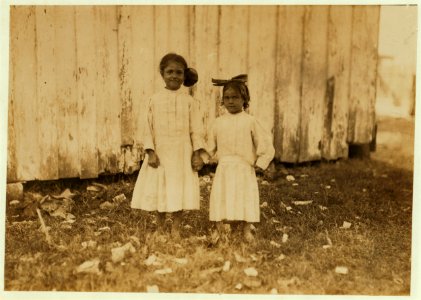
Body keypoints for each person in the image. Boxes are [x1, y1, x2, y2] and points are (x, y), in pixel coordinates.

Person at [131, 53, 206, 239]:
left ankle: (177, 228)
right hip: (161, 152)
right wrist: (150, 152)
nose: (174, 76)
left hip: (182, 152)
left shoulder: (189, 102)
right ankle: (160, 227)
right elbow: (146, 128)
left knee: (178, 188)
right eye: (169, 71)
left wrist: (197, 154)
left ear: (184, 76)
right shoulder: (154, 100)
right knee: (161, 188)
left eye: (179, 72)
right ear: (162, 73)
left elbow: (196, 129)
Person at [206, 74, 275, 243]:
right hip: (224, 167)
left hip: (244, 167)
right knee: (222, 196)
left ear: (244, 99)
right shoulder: (218, 123)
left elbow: (265, 143)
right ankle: (220, 229)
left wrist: (261, 162)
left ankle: (246, 229)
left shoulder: (251, 121)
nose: (231, 101)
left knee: (245, 197)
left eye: (235, 97)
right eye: (227, 98)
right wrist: (201, 157)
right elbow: (209, 145)